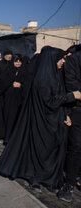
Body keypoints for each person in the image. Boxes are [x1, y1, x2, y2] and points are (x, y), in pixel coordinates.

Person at [0, 46, 81, 191]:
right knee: (39, 151)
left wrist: (66, 113)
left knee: (51, 152)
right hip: (41, 122)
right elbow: (50, 100)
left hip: (54, 121)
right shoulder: (42, 79)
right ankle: (34, 177)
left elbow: (59, 97)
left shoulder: (57, 75)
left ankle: (47, 178)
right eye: (61, 59)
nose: (62, 62)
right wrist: (73, 96)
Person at [58, 46, 81, 202]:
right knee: (77, 146)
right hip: (77, 109)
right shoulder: (74, 59)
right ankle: (70, 183)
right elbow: (73, 87)